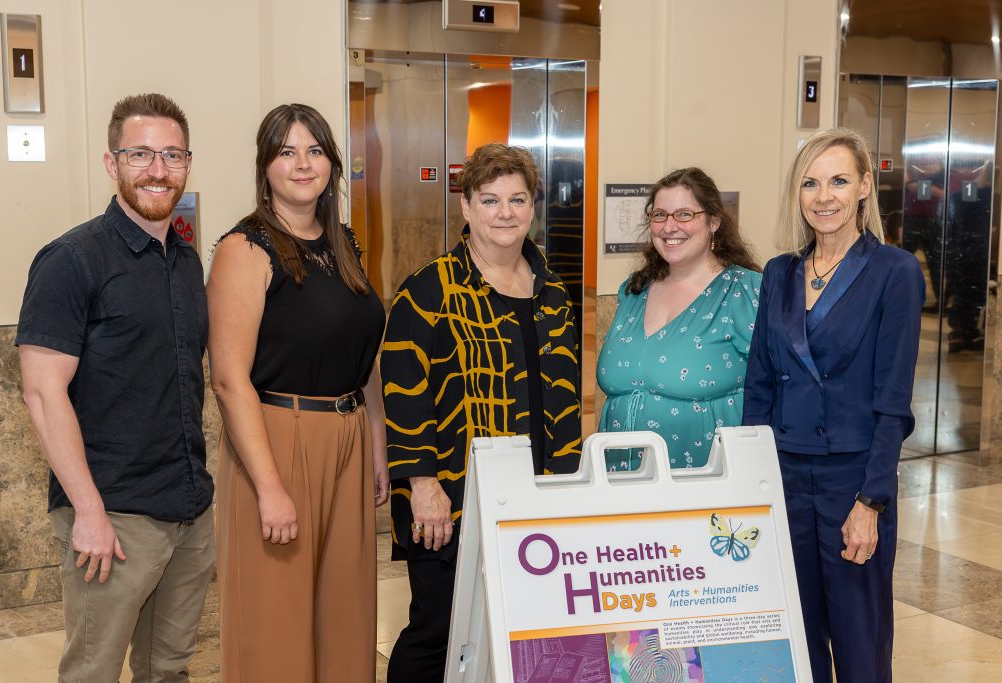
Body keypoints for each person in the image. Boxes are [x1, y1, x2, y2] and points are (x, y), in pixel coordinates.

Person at [17, 93, 213, 681]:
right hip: (114, 517)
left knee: (168, 668)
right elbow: (43, 394)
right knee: (92, 671)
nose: (158, 169)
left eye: (172, 155)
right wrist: (88, 511)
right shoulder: (71, 260)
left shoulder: (183, 259)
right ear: (112, 163)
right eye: (141, 154)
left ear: (186, 164)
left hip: (187, 508)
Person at [382, 143, 582, 682]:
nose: (505, 212)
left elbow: (563, 400)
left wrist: (569, 490)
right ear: (466, 207)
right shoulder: (428, 290)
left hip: (535, 497)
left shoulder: (556, 292)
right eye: (489, 200)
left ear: (533, 205)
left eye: (517, 199)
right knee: (438, 630)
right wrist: (423, 485)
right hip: (450, 501)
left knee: (524, 631)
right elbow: (403, 392)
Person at [208, 103, 387, 682]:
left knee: (345, 612)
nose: (302, 164)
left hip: (349, 436)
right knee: (276, 621)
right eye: (286, 151)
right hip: (278, 441)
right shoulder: (245, 249)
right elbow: (229, 378)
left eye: (314, 150)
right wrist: (269, 487)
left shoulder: (344, 244)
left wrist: (378, 447)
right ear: (265, 168)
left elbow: (365, 358)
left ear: (333, 165)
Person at [743, 128, 924, 683]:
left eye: (839, 180)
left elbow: (893, 402)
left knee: (858, 637)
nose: (824, 197)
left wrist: (872, 501)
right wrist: (751, 483)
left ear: (865, 186)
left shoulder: (894, 272)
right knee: (794, 635)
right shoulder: (779, 272)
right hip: (784, 475)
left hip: (852, 480)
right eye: (811, 183)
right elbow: (758, 389)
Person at [597, 168, 761, 470]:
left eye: (684, 214)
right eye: (660, 215)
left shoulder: (744, 292)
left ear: (714, 221)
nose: (669, 226)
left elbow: (776, 389)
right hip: (618, 482)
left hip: (702, 484)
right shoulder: (634, 290)